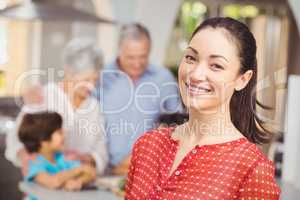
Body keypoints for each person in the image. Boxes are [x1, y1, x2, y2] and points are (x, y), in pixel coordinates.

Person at [125, 17, 281, 199]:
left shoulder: (251, 168)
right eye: (191, 58)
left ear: (242, 79)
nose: (196, 74)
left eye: (216, 65)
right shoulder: (147, 145)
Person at [5, 38, 108, 175]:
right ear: (68, 72)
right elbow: (15, 138)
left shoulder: (94, 107)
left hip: (78, 184)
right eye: (86, 80)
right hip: (42, 183)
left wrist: (86, 158)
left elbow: (101, 151)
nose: (92, 85)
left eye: (95, 79)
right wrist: (25, 157)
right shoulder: (43, 97)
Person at [94, 23, 182, 175]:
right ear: (119, 50)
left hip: (148, 170)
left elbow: (176, 125)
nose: (137, 63)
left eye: (143, 57)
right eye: (130, 57)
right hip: (105, 170)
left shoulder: (163, 78)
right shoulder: (101, 77)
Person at [19, 112, 96, 200]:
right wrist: (80, 169)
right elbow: (53, 182)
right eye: (60, 132)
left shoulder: (62, 158)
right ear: (44, 140)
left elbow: (91, 172)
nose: (65, 135)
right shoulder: (34, 163)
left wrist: (79, 181)